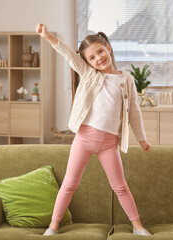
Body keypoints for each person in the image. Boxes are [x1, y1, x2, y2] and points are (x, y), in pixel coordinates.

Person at [35, 23, 152, 236]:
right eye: (92, 57)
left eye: (100, 51)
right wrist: (48, 36)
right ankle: (53, 225)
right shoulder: (89, 74)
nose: (98, 58)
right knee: (70, 184)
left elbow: (134, 111)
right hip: (84, 139)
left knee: (120, 186)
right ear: (87, 62)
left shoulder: (126, 79)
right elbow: (69, 54)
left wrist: (142, 139)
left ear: (108, 47)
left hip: (109, 144)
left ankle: (138, 227)